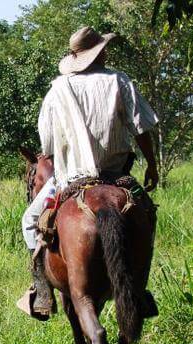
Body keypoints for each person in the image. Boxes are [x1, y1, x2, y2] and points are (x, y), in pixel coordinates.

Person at [20, 26, 160, 320]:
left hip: (72, 177)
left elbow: (46, 144)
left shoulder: (57, 89)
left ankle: (42, 288)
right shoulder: (119, 81)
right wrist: (151, 163)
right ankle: (140, 287)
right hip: (116, 175)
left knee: (30, 219)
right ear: (101, 52)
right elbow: (142, 127)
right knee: (146, 212)